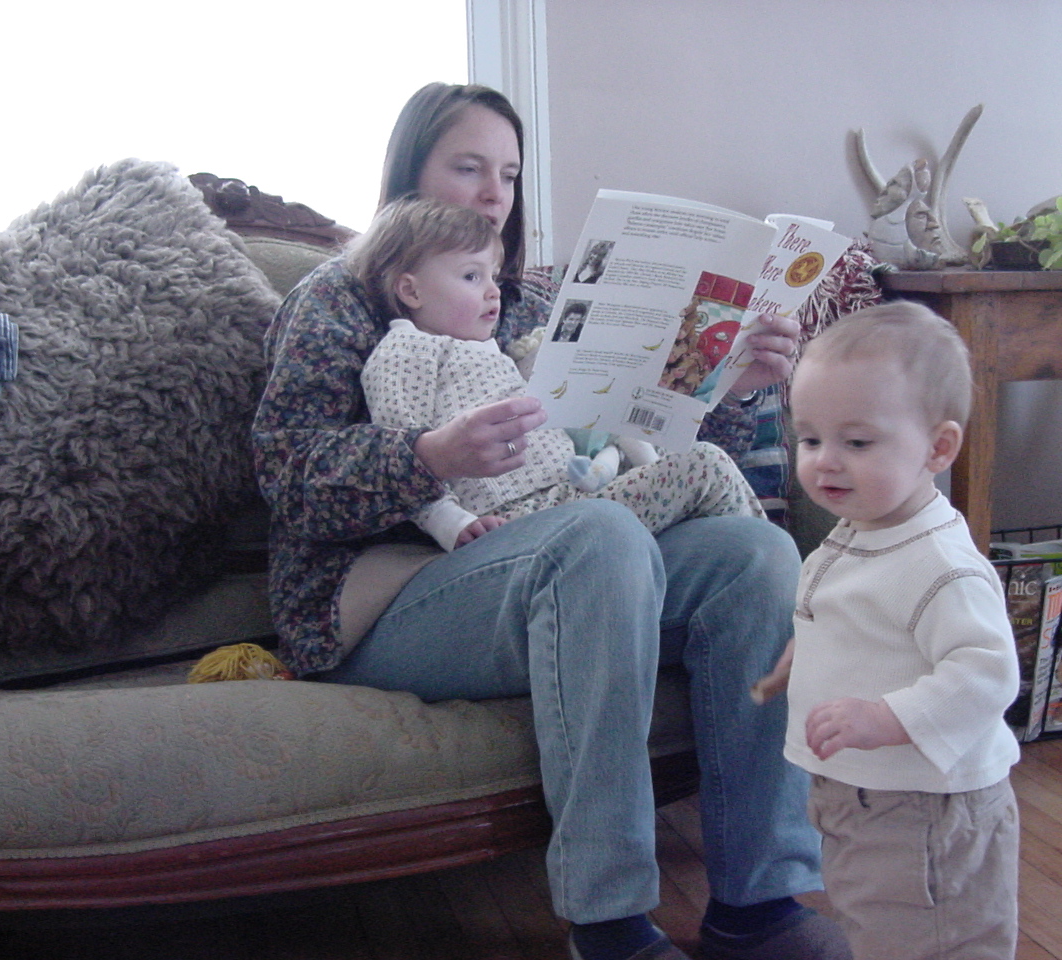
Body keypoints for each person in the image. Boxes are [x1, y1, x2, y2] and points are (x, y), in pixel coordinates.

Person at [253, 81, 848, 960]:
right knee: (600, 539)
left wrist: (730, 388)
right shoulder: (338, 301)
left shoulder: (531, 309)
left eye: (509, 175)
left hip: (561, 554)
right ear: (410, 173)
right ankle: (610, 925)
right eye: (469, 168)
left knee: (753, 553)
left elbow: (630, 444)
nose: (494, 194)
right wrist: (430, 456)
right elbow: (287, 475)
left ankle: (758, 905)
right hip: (388, 597)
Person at [753, 301, 1021, 960]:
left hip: (923, 810)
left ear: (938, 447)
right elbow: (856, 618)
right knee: (876, 930)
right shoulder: (865, 528)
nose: (825, 462)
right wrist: (804, 656)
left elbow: (987, 672)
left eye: (857, 442)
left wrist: (888, 718)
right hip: (865, 797)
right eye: (810, 439)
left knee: (929, 942)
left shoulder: (940, 566)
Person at [352, 196, 766, 552]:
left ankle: (769, 579)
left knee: (704, 482)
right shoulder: (406, 348)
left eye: (493, 276)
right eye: (471, 276)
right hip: (518, 516)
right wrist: (451, 523)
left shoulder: (494, 351)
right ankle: (791, 598)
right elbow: (402, 453)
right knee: (705, 465)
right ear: (412, 291)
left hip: (573, 494)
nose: (493, 290)